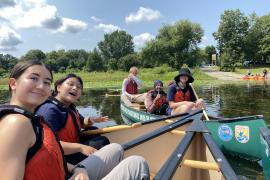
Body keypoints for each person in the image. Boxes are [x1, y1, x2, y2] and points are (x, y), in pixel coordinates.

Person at [0, 60, 150, 180]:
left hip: (65, 171)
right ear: (13, 83)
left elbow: (51, 154)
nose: (41, 86)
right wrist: (79, 147)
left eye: (46, 82)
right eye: (34, 78)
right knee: (137, 163)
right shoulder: (17, 123)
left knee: (115, 148)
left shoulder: (33, 117)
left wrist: (76, 168)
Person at [36, 74, 110, 164]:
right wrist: (80, 147)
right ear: (58, 87)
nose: (75, 88)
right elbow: (46, 144)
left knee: (94, 131)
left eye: (79, 87)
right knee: (102, 141)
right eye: (70, 84)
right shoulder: (50, 110)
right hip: (59, 158)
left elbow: (82, 122)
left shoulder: (69, 107)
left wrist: (91, 120)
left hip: (70, 146)